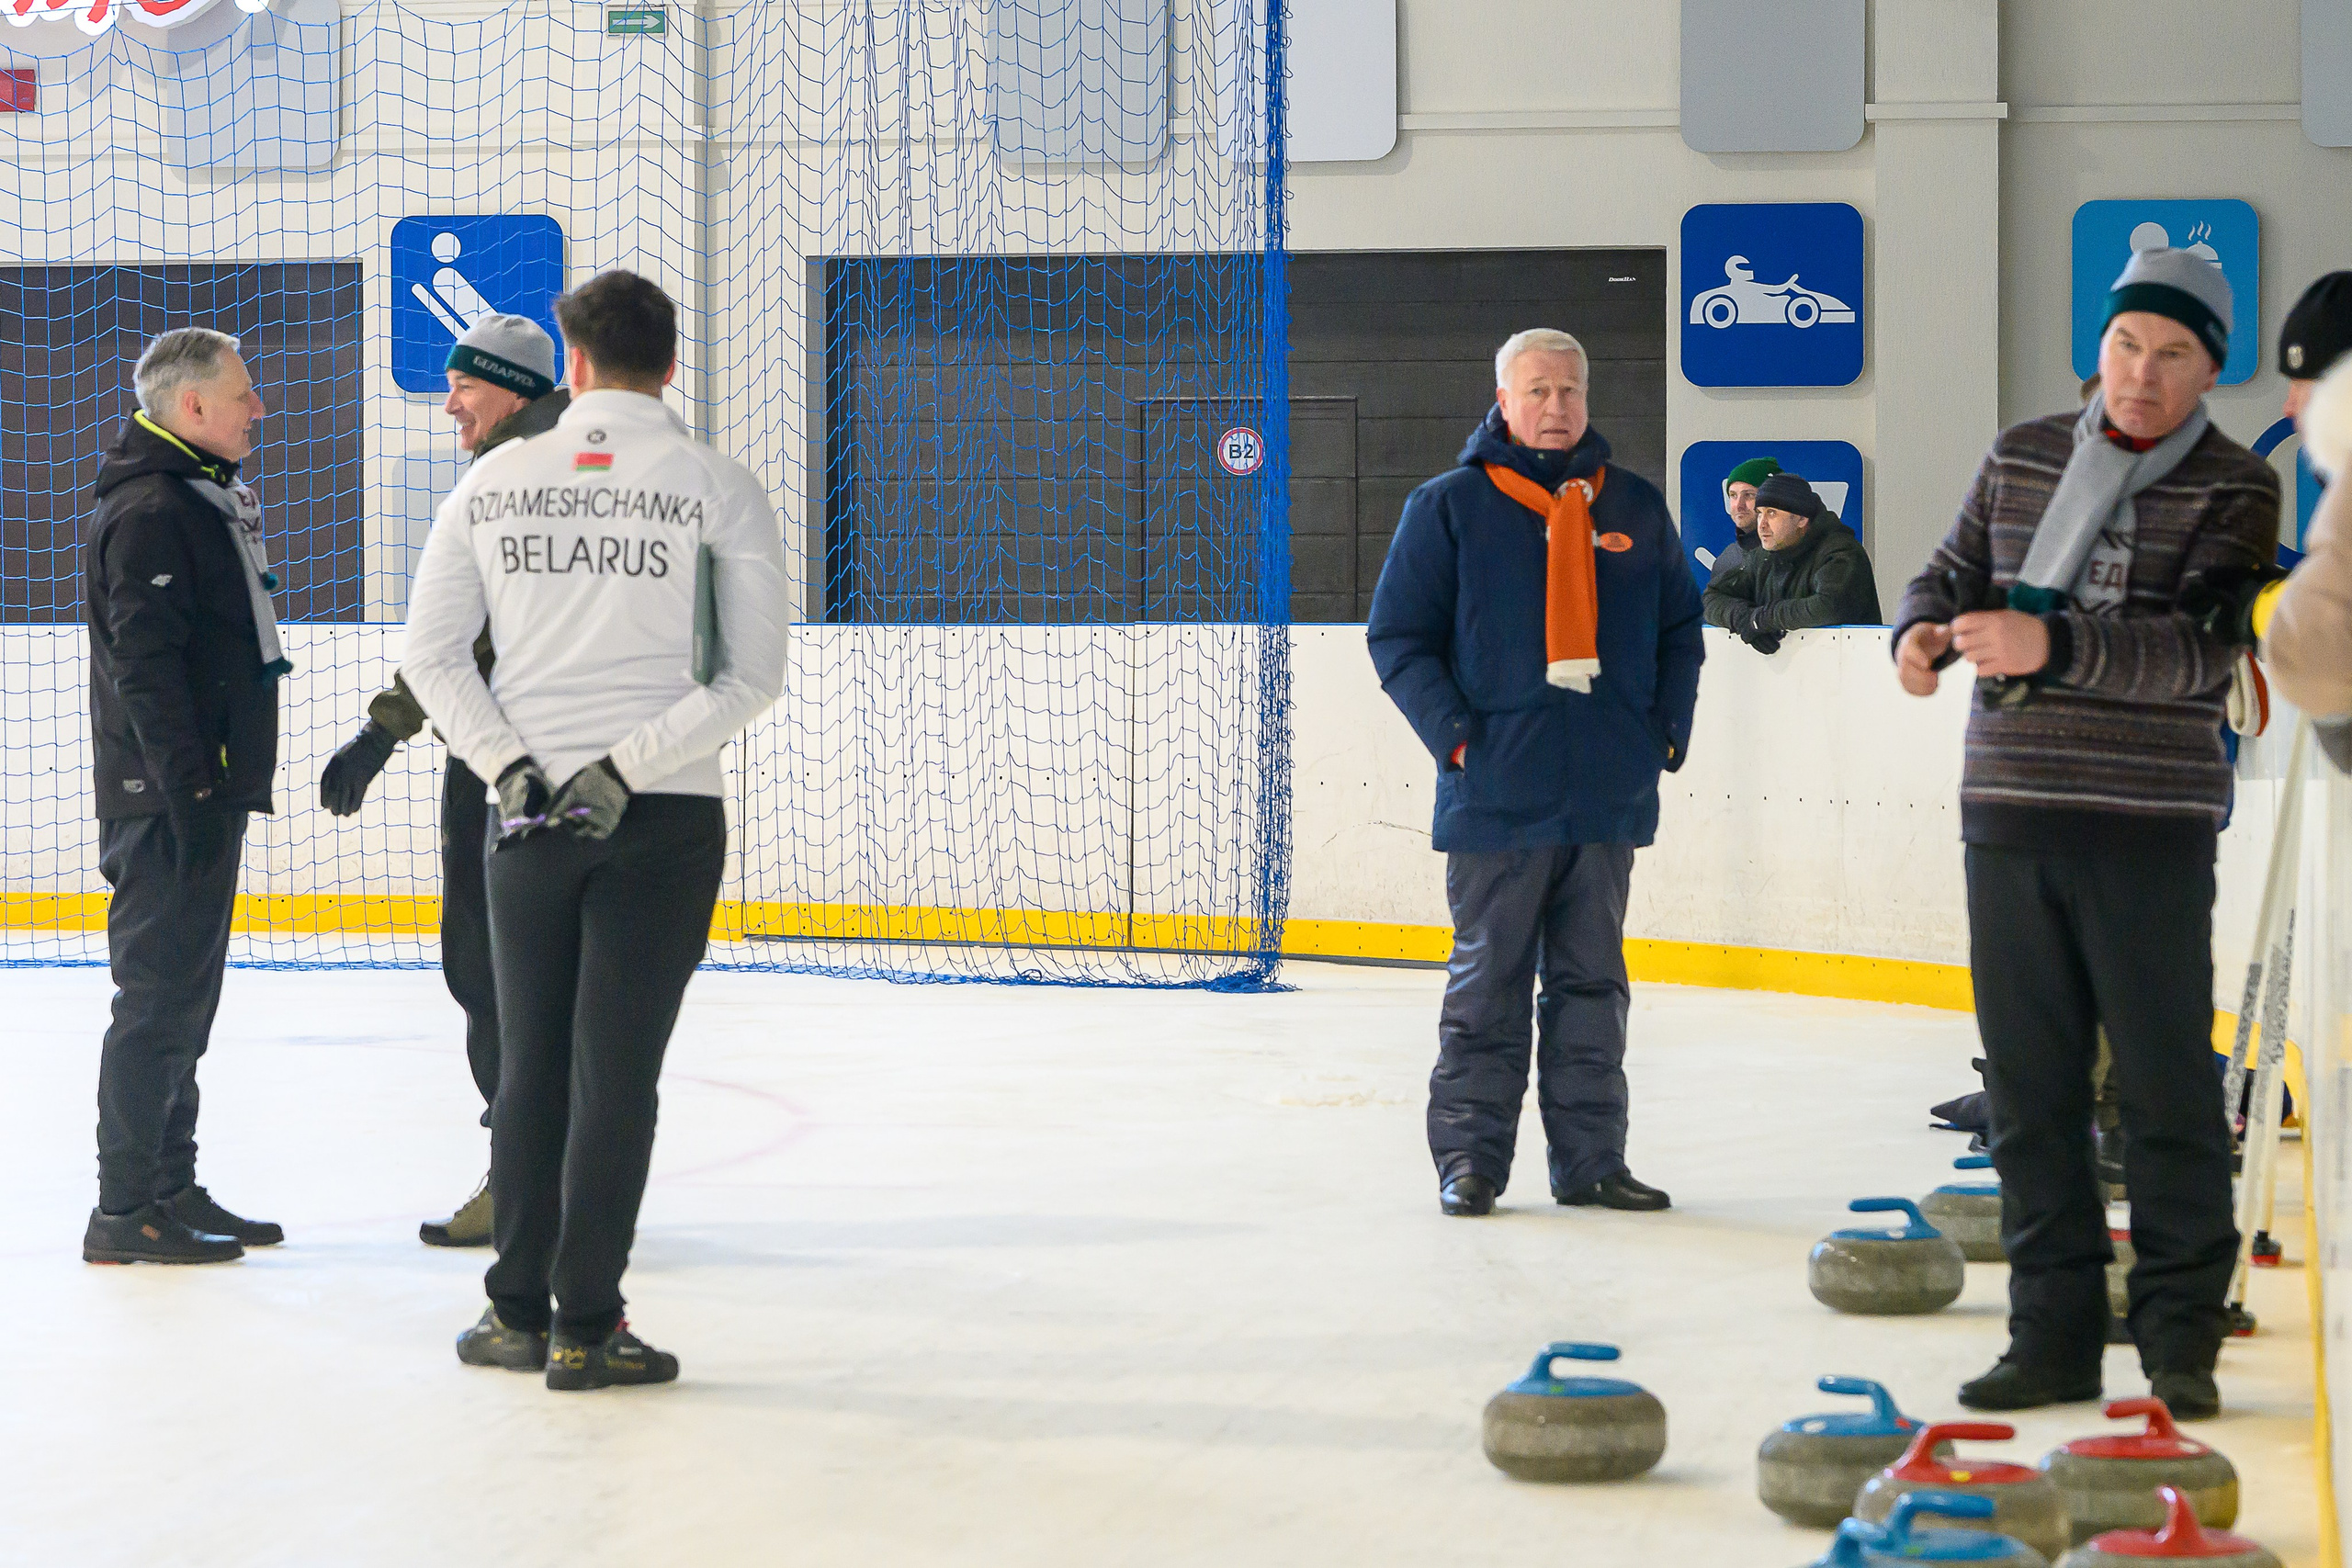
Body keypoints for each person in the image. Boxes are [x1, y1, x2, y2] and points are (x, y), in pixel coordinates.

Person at [1891, 248, 2278, 1420]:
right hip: (2007, 811)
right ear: (2095, 348)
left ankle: (2177, 1340)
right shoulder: (2019, 453)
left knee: (2163, 1097)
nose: (2141, 377)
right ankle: (2051, 1337)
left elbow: (2202, 655)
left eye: (2171, 356)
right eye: (2125, 347)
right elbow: (1951, 568)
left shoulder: (2232, 485)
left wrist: (2053, 649)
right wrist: (1913, 632)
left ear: (2211, 367)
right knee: (2029, 1094)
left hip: (2145, 826)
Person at [403, 270, 789, 1389]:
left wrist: (513, 769)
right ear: (671, 364)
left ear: (572, 366)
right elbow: (751, 678)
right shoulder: (718, 484)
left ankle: (513, 1315)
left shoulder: (493, 485)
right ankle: (586, 1325)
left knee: (529, 1064)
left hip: (526, 819)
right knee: (615, 1074)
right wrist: (622, 769)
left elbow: (431, 659)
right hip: (661, 817)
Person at [1366, 327, 1704, 1220]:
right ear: (1503, 401)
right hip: (1495, 798)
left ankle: (1592, 1163)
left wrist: (1664, 733)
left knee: (1594, 987)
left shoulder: (1630, 506)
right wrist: (1457, 740)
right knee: (1488, 988)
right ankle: (1469, 1164)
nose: (1556, 407)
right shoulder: (1447, 507)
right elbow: (1398, 640)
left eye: (1570, 391)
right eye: (1538, 391)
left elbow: (1679, 631)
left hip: (1605, 793)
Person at [314, 314, 569, 1247]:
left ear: (510, 388)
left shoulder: (510, 482)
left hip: (504, 765)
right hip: (576, 766)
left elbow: (460, 640)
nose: (450, 402)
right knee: (536, 978)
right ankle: (558, 1176)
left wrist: (384, 733)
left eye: (465, 384)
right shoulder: (583, 461)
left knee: (499, 975)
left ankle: (523, 1182)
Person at [81, 328, 286, 1265]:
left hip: (190, 791)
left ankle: (171, 1186)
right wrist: (191, 783)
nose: (258, 409)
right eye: (243, 394)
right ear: (192, 406)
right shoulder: (156, 508)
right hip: (165, 797)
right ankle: (123, 1213)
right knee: (157, 1003)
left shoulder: (193, 495)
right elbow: (143, 662)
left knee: (184, 1006)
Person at [1702, 471, 1881, 651]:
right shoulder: (1762, 556)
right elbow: (1711, 598)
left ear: (1801, 519)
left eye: (1772, 514)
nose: (1762, 524)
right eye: (1759, 513)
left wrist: (1763, 619)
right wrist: (1743, 618)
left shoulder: (1841, 552)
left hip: (1847, 669)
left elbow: (1830, 606)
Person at [1706, 456, 1779, 586]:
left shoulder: (1801, 554)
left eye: (1749, 495)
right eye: (1733, 495)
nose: (1739, 505)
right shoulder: (1727, 560)